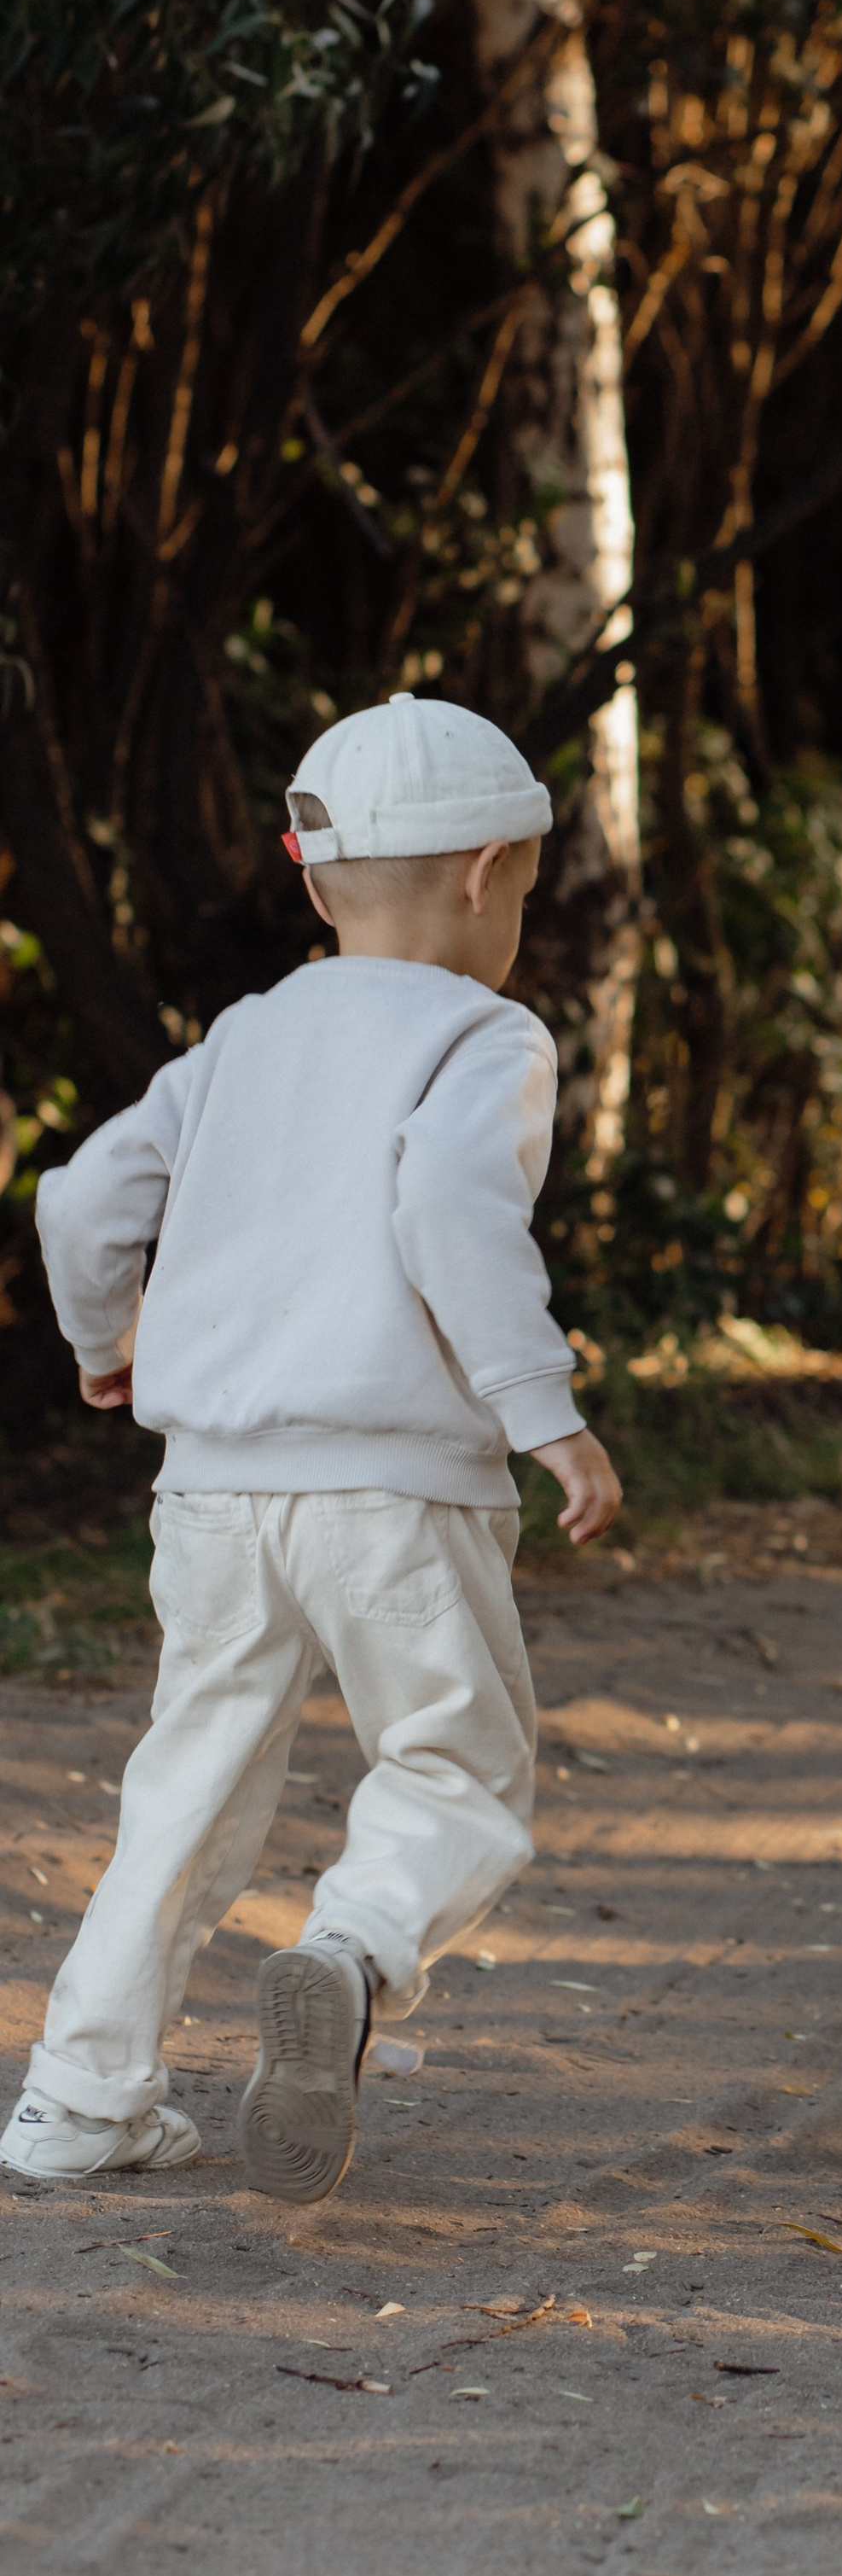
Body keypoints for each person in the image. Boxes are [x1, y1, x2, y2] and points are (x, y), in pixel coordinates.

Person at [3, 695, 621, 2202]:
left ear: (311, 877)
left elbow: (82, 1203)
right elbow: (450, 1215)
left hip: (211, 1490)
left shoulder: (244, 1038)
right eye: (529, 893)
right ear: (486, 873)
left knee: (191, 1782)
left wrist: (106, 1347)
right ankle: (352, 1950)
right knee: (456, 1762)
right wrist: (548, 1411)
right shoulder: (487, 1034)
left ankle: (78, 2103)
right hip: (396, 1488)